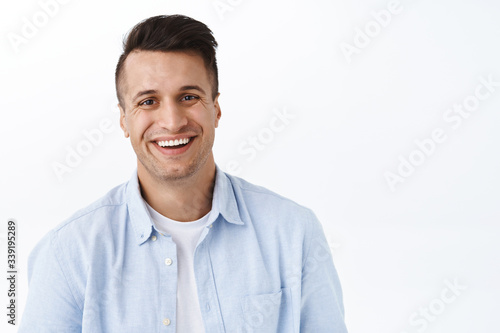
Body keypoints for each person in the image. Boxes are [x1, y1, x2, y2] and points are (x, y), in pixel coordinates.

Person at [19, 14, 348, 333]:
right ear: (123, 120)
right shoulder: (68, 253)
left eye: (189, 97)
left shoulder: (293, 234)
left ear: (215, 109)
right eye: (148, 101)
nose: (172, 122)